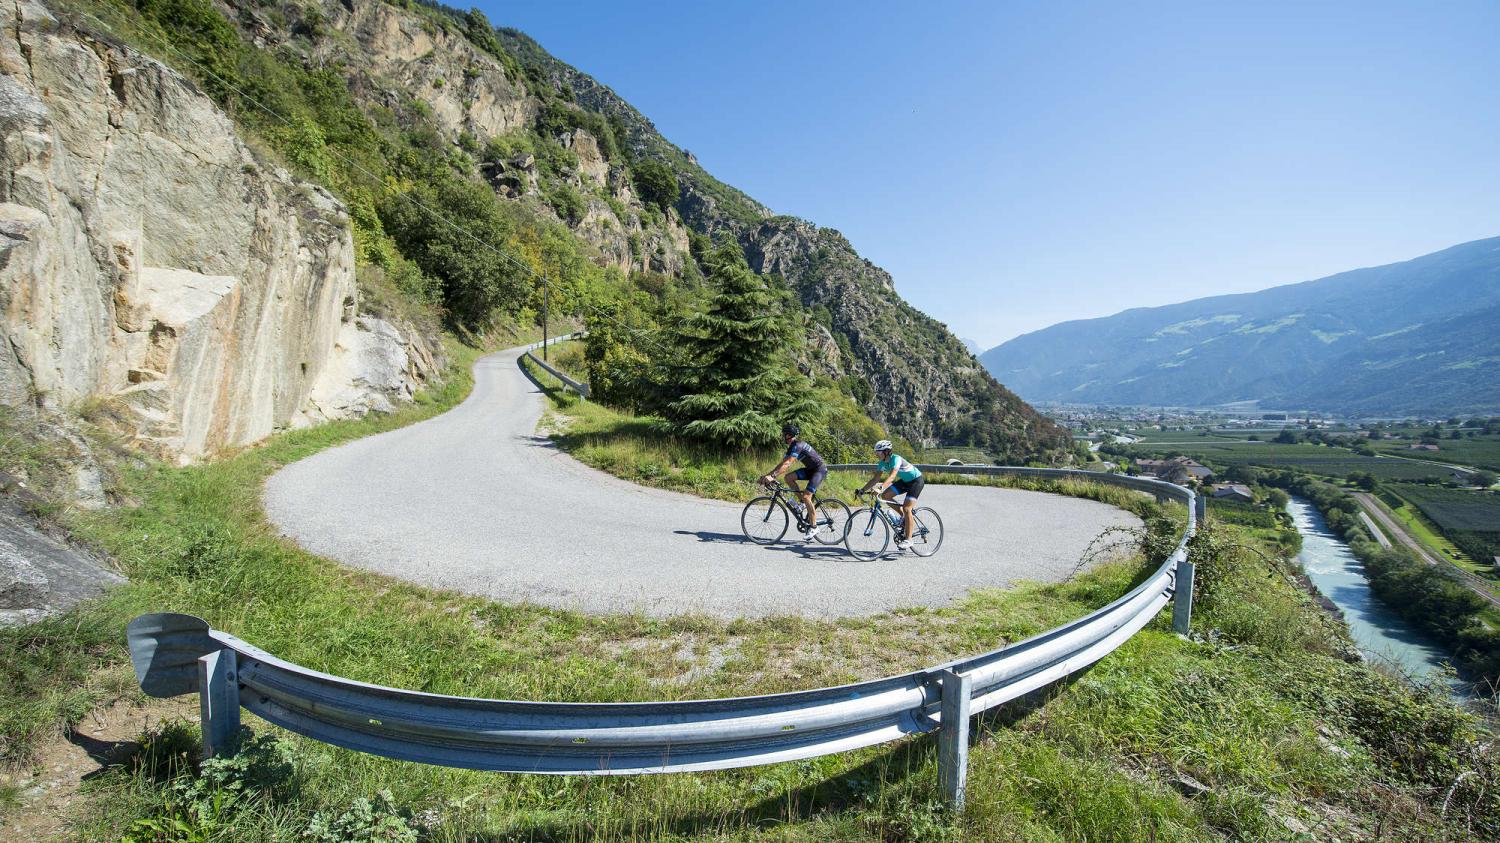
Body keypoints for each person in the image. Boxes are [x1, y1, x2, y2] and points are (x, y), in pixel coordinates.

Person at [761, 423, 827, 541]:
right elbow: (781, 464)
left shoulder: (798, 445)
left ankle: (814, 526)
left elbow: (787, 464)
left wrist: (773, 476)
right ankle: (802, 503)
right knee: (788, 478)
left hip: (819, 470)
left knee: (807, 497)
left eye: (784, 434)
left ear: (788, 435)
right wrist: (769, 475)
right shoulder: (792, 446)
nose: (782, 437)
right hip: (810, 470)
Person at [859, 439, 924, 550]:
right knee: (885, 496)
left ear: (886, 451)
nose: (876, 454)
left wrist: (880, 488)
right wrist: (862, 490)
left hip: (916, 481)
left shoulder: (896, 459)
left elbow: (892, 477)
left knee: (907, 508)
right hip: (905, 481)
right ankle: (903, 517)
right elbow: (876, 478)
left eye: (878, 451)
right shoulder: (882, 463)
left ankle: (909, 540)